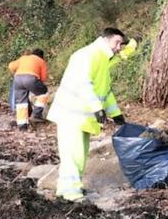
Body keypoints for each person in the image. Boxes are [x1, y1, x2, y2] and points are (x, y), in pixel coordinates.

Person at [47, 28, 138, 202]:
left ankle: (68, 189)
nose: (119, 47)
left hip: (82, 116)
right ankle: (71, 193)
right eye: (117, 43)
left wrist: (115, 113)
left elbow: (105, 91)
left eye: (121, 44)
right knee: (72, 154)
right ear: (105, 40)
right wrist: (97, 108)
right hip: (71, 114)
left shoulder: (102, 59)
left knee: (79, 154)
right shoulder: (88, 55)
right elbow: (84, 84)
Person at [8, 49, 49, 130]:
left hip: (17, 79)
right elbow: (43, 78)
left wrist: (17, 73)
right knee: (44, 93)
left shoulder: (24, 58)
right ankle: (36, 115)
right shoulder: (41, 61)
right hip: (31, 79)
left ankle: (22, 126)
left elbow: (11, 66)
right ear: (41, 56)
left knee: (21, 103)